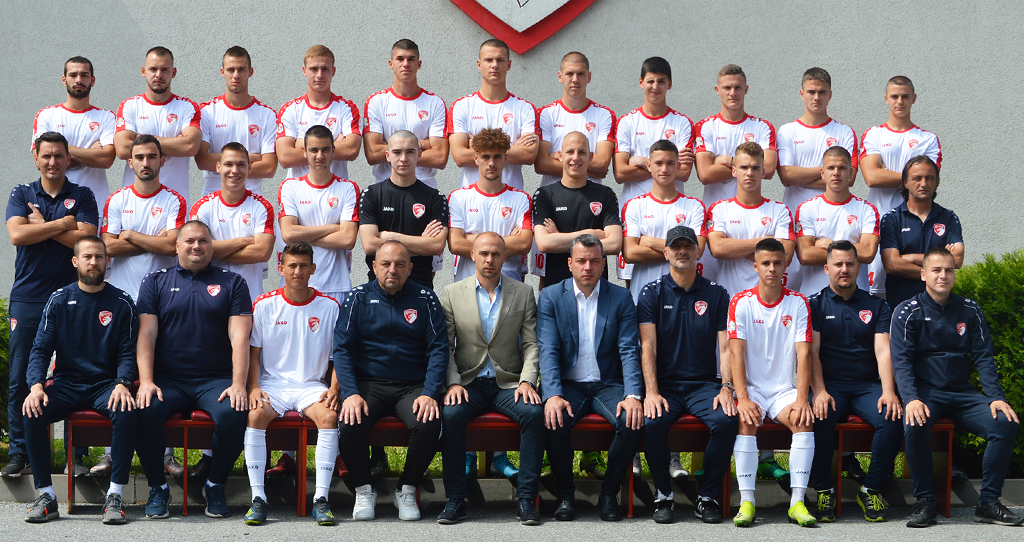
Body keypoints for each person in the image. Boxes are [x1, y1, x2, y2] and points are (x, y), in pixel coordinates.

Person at [891, 247, 1022, 528]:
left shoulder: (969, 310)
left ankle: (988, 503)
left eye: (948, 270)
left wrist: (996, 398)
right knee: (914, 424)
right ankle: (925, 502)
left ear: (954, 273)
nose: (943, 275)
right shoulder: (907, 311)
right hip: (926, 394)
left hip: (963, 394)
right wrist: (911, 398)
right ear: (923, 274)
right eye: (936, 270)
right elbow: (901, 361)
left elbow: (984, 358)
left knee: (1005, 423)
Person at [134, 220, 252, 519]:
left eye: (202, 241)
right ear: (177, 246)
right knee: (144, 411)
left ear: (212, 246)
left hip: (215, 380)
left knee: (234, 413)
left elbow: (240, 337)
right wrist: (146, 381)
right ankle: (158, 488)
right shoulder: (154, 281)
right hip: (167, 380)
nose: (196, 246)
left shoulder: (233, 283)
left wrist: (239, 384)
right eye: (189, 241)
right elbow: (146, 334)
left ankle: (215, 484)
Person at [21, 236, 137, 524]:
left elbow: (128, 352)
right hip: (67, 384)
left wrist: (123, 382)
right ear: (75, 261)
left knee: (126, 410)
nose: (93, 262)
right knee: (32, 411)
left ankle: (115, 496)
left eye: (99, 256)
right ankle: (47, 496)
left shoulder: (122, 302)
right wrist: (36, 386)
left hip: (105, 385)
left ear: (107, 261)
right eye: (87, 256)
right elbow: (40, 349)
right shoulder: (59, 299)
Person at [3, 131, 98, 478]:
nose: (53, 162)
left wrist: (42, 227)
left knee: (76, 375)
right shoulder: (22, 193)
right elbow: (17, 235)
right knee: (21, 378)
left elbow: (87, 243)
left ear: (68, 159)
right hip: (28, 298)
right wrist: (61, 225)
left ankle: (80, 456)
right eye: (46, 156)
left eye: (59, 156)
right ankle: (20, 452)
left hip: (72, 299)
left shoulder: (83, 195)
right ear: (36, 157)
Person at [334, 240, 447, 522]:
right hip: (368, 385)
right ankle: (363, 490)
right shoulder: (357, 298)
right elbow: (342, 349)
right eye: (385, 264)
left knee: (429, 422)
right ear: (374, 267)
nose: (392, 270)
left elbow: (439, 348)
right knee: (350, 422)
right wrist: (349, 393)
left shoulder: (425, 298)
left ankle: (406, 489)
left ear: (410, 268)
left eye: (399, 264)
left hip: (412, 387)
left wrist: (431, 392)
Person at [437, 233, 543, 525]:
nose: (489, 259)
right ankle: (456, 499)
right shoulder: (451, 293)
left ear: (505, 256)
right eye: (483, 253)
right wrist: (453, 382)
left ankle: (526, 499)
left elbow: (532, 344)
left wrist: (527, 381)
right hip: (468, 382)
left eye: (496, 254)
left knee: (534, 414)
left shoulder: (522, 292)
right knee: (452, 414)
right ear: (471, 254)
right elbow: (444, 346)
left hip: (508, 382)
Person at [538, 234, 643, 522]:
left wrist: (633, 395)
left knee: (630, 420)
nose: (588, 267)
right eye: (582, 261)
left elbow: (629, 350)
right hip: (568, 384)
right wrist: (553, 395)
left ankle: (609, 493)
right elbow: (548, 350)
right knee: (554, 418)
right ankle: (565, 493)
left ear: (603, 264)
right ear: (570, 264)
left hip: (607, 384)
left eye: (595, 261)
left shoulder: (620, 297)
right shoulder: (550, 296)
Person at [101, 134, 188, 477]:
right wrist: (149, 241)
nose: (146, 163)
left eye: (153, 156)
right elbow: (108, 246)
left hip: (164, 301)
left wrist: (132, 235)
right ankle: (110, 453)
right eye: (139, 157)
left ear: (162, 161)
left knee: (159, 375)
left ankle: (166, 455)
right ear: (130, 161)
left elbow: (171, 247)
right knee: (118, 374)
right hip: (122, 301)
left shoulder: (174, 200)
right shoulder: (116, 200)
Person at [637, 225, 736, 524]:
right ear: (665, 252)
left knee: (726, 420)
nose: (682, 251)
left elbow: (726, 347)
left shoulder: (717, 294)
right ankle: (663, 496)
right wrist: (651, 392)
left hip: (703, 385)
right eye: (676, 246)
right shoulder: (651, 292)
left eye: (688, 246)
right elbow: (648, 346)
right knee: (652, 423)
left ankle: (706, 497)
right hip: (664, 386)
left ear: (697, 251)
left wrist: (727, 387)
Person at [243, 241, 341, 526]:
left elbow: (338, 358)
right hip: (272, 385)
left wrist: (334, 389)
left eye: (303, 266)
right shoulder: (264, 305)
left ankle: (321, 499)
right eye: (292, 265)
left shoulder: (330, 306)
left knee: (329, 416)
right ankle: (258, 498)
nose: (297, 271)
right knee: (255, 414)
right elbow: (254, 353)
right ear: (280, 268)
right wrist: (253, 387)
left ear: (313, 269)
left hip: (312, 385)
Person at [807, 240, 902, 522]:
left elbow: (883, 350)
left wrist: (888, 391)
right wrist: (820, 391)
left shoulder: (877, 305)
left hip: (866, 386)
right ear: (827, 268)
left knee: (892, 417)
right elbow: (811, 352)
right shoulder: (814, 304)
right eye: (838, 264)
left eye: (850, 264)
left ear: (858, 267)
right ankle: (824, 489)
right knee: (819, 416)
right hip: (830, 385)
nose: (844, 269)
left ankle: (870, 488)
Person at [728, 238, 816, 527]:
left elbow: (804, 355)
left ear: (785, 265)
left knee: (803, 420)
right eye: (765, 263)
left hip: (782, 390)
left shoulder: (798, 302)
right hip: (751, 388)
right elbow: (736, 354)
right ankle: (747, 502)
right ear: (755, 266)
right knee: (747, 421)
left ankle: (797, 502)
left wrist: (802, 399)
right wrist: (742, 398)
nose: (772, 268)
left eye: (778, 262)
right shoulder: (740, 302)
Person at [613, 56, 699, 285]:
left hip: (673, 209)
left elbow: (684, 172)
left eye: (662, 81)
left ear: (670, 84)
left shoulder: (681, 123)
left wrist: (641, 161)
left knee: (678, 275)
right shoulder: (627, 122)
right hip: (635, 211)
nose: (655, 87)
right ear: (641, 82)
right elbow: (620, 173)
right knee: (633, 281)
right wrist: (667, 166)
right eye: (650, 81)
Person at [532, 51, 615, 283]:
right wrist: (582, 164)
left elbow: (603, 162)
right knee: (550, 277)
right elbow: (540, 163)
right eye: (569, 74)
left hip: (592, 201)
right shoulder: (547, 113)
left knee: (592, 266)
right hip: (553, 200)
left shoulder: (603, 114)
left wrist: (563, 161)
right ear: (560, 76)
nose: (575, 79)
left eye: (580, 74)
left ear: (589, 77)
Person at [777, 68, 859, 293]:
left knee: (830, 282)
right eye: (811, 91)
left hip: (834, 217)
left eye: (822, 92)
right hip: (796, 218)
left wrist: (801, 177)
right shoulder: (787, 131)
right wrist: (830, 175)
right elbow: (786, 176)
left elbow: (849, 178)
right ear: (801, 93)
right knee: (792, 285)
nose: (816, 97)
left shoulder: (844, 132)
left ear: (830, 95)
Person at [860, 76, 941, 297]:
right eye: (894, 96)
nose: (900, 101)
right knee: (877, 293)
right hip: (878, 221)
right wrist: (912, 175)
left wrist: (888, 172)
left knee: (915, 289)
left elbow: (929, 179)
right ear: (886, 99)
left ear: (914, 98)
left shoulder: (928, 139)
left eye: (905, 96)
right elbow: (872, 178)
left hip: (916, 223)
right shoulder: (874, 134)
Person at [358, 130, 448, 290]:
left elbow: (436, 246)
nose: (403, 159)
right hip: (378, 291)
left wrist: (390, 237)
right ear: (387, 155)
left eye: (410, 152)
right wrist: (420, 244)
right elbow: (370, 245)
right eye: (397, 152)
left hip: (420, 289)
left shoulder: (435, 198)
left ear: (419, 155)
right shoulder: (371, 195)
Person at [622, 139, 708, 303]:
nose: (664, 169)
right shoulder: (634, 205)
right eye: (658, 163)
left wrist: (649, 242)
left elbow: (697, 251)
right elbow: (630, 253)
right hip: (643, 297)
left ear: (678, 166)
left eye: (670, 163)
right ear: (648, 165)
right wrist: (681, 252)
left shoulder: (694, 206)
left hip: (683, 298)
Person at [190, 142, 276, 304]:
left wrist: (213, 252)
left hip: (249, 299)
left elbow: (262, 253)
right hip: (210, 300)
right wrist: (242, 241)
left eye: (241, 165)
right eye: (228, 164)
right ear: (218, 167)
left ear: (249, 168)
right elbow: (197, 251)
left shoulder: (262, 207)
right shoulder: (202, 207)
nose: (234, 171)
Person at [114, 46, 201, 205]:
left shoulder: (187, 107)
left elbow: (190, 146)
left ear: (173, 72)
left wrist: (139, 140)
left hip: (176, 203)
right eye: (153, 69)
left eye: (165, 70)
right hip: (134, 203)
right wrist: (173, 143)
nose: (158, 75)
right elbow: (121, 149)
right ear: (143, 71)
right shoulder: (129, 106)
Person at [533, 132, 621, 287]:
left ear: (590, 156)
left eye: (582, 152)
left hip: (597, 290)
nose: (575, 157)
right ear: (560, 156)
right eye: (570, 152)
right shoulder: (544, 195)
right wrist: (590, 235)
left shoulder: (605, 194)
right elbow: (544, 244)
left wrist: (559, 238)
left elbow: (614, 244)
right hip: (557, 289)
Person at [707, 142, 795, 298]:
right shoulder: (719, 209)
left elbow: (785, 255)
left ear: (763, 172)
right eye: (744, 167)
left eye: (755, 168)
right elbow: (718, 248)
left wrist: (734, 248)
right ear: (734, 171)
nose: (750, 173)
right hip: (729, 299)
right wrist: (766, 242)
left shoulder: (780, 210)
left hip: (768, 302)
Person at [449, 39, 538, 191]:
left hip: (512, 200)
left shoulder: (525, 108)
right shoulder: (461, 106)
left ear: (509, 65)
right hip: (470, 199)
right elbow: (460, 157)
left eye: (500, 60)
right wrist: (512, 149)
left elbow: (529, 156)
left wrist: (478, 147)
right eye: (488, 60)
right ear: (479, 64)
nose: (494, 65)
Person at [448, 127, 533, 282]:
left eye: (497, 157)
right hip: (467, 285)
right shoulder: (458, 197)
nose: (491, 163)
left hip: (509, 286)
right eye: (485, 157)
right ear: (475, 158)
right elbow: (455, 244)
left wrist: (470, 238)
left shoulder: (521, 199)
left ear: (506, 158)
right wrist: (504, 242)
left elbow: (524, 244)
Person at [794, 146, 879, 296]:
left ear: (851, 173)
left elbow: (867, 253)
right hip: (815, 297)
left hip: (856, 299)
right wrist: (852, 250)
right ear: (822, 173)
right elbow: (805, 255)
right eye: (831, 168)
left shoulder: (867, 210)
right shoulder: (807, 208)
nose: (836, 173)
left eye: (842, 168)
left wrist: (828, 245)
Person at [364, 39, 449, 188]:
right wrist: (424, 145)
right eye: (400, 59)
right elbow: (372, 154)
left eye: (411, 59)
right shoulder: (376, 101)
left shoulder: (434, 103)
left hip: (425, 187)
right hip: (385, 187)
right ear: (391, 64)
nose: (406, 64)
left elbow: (440, 158)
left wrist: (390, 149)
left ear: (419, 64)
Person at [879, 155, 963, 307]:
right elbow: (892, 264)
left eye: (929, 178)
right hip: (901, 307)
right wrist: (937, 268)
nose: (923, 183)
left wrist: (910, 257)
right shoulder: (892, 219)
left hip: (941, 307)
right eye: (917, 178)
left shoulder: (949, 218)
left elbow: (956, 259)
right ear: (906, 182)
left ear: (937, 182)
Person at [31, 56, 116, 204]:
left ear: (93, 80)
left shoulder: (106, 117)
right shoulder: (47, 115)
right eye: (73, 75)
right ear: (64, 80)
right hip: (55, 203)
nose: (78, 80)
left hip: (96, 204)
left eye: (84, 75)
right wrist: (90, 154)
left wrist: (61, 155)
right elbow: (41, 162)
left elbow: (106, 159)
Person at [196, 46, 278, 196]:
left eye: (241, 70)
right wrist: (246, 158)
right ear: (222, 72)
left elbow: (269, 168)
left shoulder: (267, 114)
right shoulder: (206, 111)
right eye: (230, 70)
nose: (236, 75)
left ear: (250, 72)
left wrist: (221, 161)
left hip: (252, 198)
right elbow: (201, 160)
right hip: (212, 197)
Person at [694, 64, 777, 207]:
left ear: (746, 90)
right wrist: (752, 167)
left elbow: (768, 170)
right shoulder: (705, 126)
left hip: (752, 210)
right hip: (715, 211)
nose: (733, 93)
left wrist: (728, 160)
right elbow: (705, 174)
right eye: (727, 88)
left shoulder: (763, 127)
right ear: (717, 90)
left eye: (738, 88)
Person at [276, 45, 361, 181]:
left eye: (325, 69)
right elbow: (285, 158)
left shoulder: (347, 108)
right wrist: (334, 144)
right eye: (314, 69)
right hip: (298, 193)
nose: (319, 75)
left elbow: (351, 151)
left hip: (337, 193)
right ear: (304, 71)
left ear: (333, 71)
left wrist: (300, 145)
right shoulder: (290, 109)